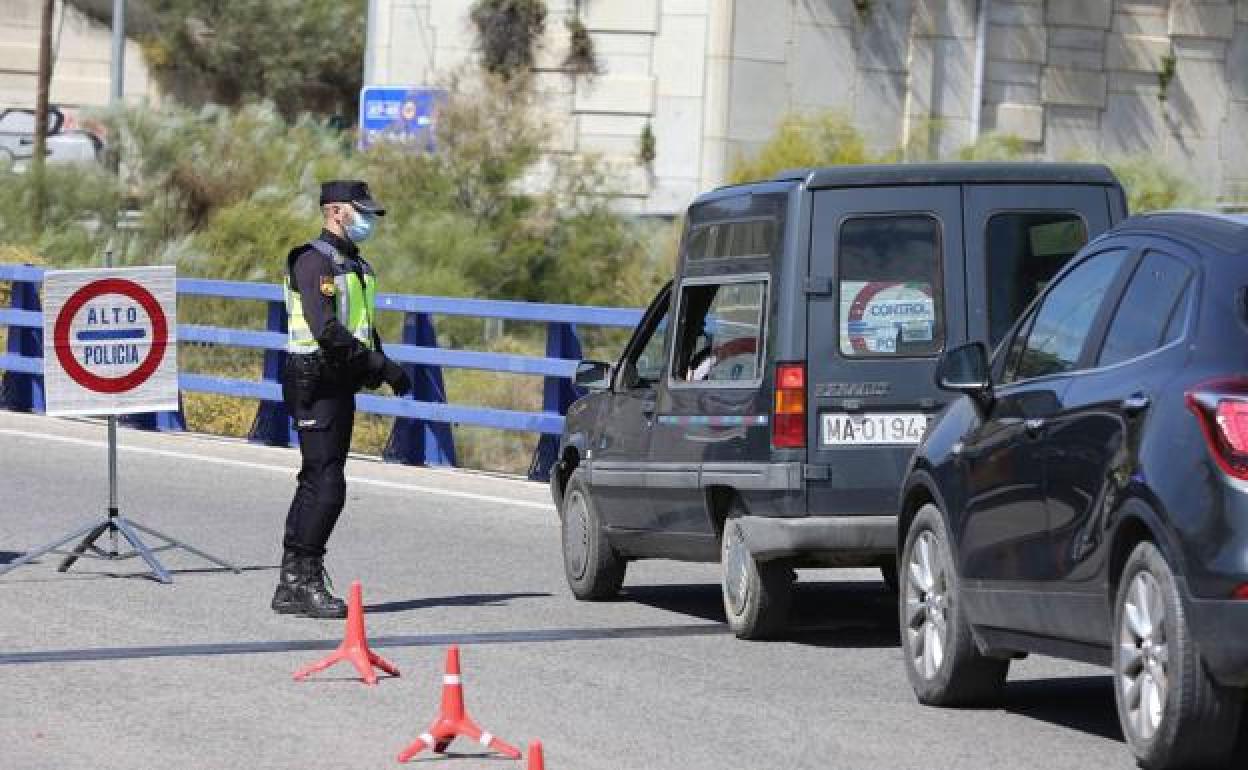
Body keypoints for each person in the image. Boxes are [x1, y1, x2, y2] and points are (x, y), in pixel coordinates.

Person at [272, 179, 412, 618]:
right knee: (326, 484)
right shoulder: (313, 262)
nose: (368, 220)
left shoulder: (356, 265)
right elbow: (327, 331)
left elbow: (361, 326)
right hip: (313, 380)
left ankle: (291, 583)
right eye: (361, 211)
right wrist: (378, 367)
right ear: (336, 211)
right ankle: (303, 580)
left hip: (337, 382)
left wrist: (381, 363)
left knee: (317, 479)